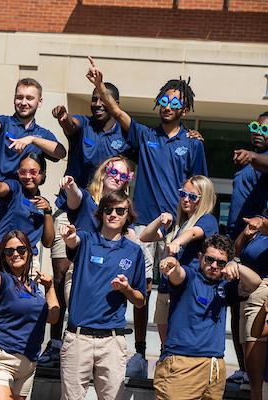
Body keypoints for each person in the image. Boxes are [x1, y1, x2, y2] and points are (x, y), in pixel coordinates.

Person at [87, 56, 208, 377]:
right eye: (164, 99)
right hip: (141, 227)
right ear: (158, 103)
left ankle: (169, 352)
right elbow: (116, 112)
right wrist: (100, 84)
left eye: (176, 102)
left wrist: (190, 225)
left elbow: (200, 191)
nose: (168, 105)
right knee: (141, 286)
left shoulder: (193, 145)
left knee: (171, 292)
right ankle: (139, 353)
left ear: (185, 109)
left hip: (176, 232)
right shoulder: (144, 135)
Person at [0, 78, 66, 290]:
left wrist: (32, 139)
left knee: (16, 278)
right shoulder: (5, 122)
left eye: (29, 98)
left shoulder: (42, 134)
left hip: (18, 214)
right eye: (19, 97)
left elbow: (60, 152)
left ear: (39, 102)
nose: (23, 102)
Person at [40, 155, 135, 367]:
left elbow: (131, 237)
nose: (117, 177)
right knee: (79, 312)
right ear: (103, 172)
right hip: (82, 271)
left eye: (123, 175)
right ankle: (67, 352)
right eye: (113, 172)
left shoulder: (123, 207)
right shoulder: (87, 199)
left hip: (107, 276)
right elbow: (75, 197)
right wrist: (70, 185)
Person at [59, 190, 146, 400]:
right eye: (108, 209)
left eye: (119, 210)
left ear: (128, 215)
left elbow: (141, 301)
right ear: (101, 213)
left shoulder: (134, 252)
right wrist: (69, 237)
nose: (113, 214)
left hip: (112, 341)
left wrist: (126, 289)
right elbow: (73, 242)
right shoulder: (87, 240)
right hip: (78, 338)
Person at [153, 235, 262, 400]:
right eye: (209, 259)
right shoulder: (190, 277)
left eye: (221, 262)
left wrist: (237, 266)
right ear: (199, 257)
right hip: (182, 366)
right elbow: (177, 274)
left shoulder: (225, 286)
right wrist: (172, 265)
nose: (214, 266)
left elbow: (255, 283)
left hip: (215, 368)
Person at [0, 230, 59, 400]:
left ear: (29, 252)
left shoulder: (36, 289)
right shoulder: (3, 280)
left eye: (21, 250)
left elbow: (53, 317)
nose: (15, 254)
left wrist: (50, 287)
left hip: (27, 367)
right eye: (9, 251)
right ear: (3, 256)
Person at [140, 175, 218, 345]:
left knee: (179, 346)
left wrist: (176, 241)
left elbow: (194, 233)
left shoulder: (207, 220)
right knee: (165, 348)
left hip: (187, 291)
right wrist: (160, 219)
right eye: (183, 194)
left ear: (203, 199)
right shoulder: (177, 224)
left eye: (192, 197)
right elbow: (145, 236)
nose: (186, 199)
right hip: (165, 289)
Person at [226, 113, 268, 386]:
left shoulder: (258, 160)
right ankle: (243, 368)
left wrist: (252, 156)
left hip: (260, 248)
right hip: (236, 243)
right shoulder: (245, 164)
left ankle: (259, 376)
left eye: (265, 129)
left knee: (257, 314)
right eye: (254, 126)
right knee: (235, 308)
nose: (258, 132)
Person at [0, 152, 54, 268]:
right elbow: (0, 187)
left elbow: (48, 242)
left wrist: (48, 212)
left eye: (33, 172)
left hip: (28, 258)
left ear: (42, 174)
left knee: (26, 287)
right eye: (22, 172)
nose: (27, 176)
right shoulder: (15, 188)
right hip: (3, 252)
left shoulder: (43, 203)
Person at [234, 217, 268, 400]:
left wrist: (262, 222)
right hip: (246, 297)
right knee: (251, 372)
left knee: (257, 377)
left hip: (262, 296)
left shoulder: (263, 224)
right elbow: (236, 251)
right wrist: (245, 233)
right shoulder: (257, 232)